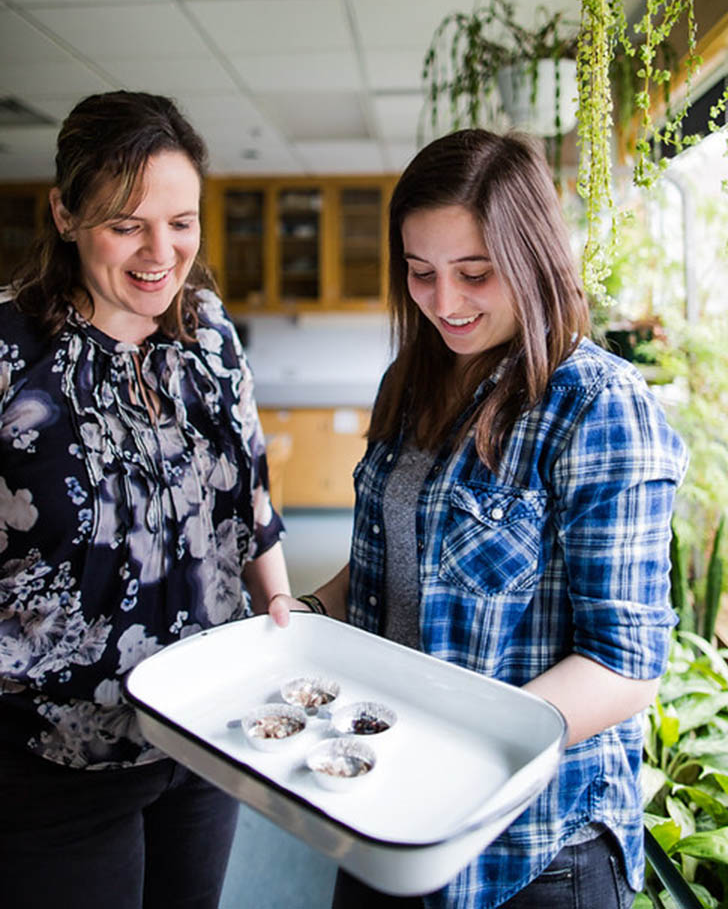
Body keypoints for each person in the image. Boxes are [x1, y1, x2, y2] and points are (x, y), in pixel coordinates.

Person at [276, 128, 688, 909]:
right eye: (421, 273)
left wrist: (459, 747)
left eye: (475, 272)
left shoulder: (597, 406)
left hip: (530, 848)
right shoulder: (410, 379)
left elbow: (627, 665)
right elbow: (385, 563)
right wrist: (304, 613)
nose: (445, 302)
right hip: (385, 806)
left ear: (534, 257)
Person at [0, 91, 291, 909]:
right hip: (58, 758)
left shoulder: (210, 334)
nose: (160, 252)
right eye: (126, 224)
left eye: (181, 221)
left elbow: (251, 493)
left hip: (205, 737)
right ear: (64, 213)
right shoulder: (8, 354)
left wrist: (283, 612)